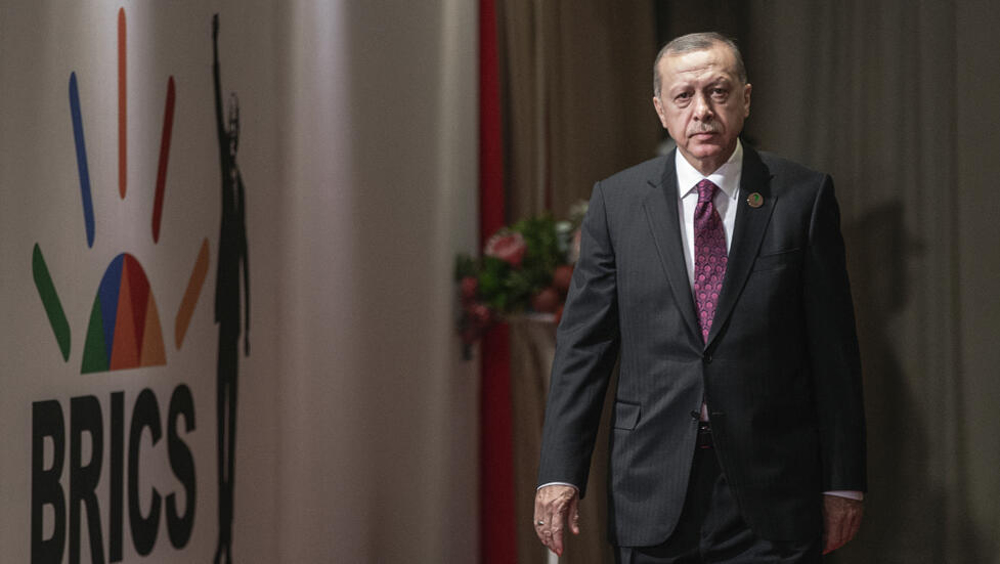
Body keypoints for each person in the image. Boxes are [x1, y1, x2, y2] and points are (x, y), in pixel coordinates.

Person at [534, 32, 866, 563]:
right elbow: (583, 351)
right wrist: (559, 473)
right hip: (653, 488)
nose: (703, 111)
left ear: (746, 99)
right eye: (684, 96)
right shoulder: (617, 203)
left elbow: (834, 351)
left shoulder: (802, 197)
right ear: (660, 110)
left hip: (773, 490)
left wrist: (843, 482)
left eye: (718, 91)